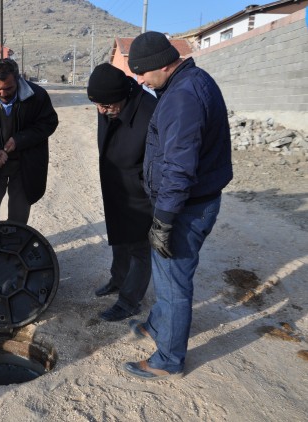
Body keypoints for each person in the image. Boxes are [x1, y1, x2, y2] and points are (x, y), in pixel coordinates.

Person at [122, 31, 233, 380]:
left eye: (141, 72)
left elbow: (179, 168)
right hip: (192, 201)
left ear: (161, 65)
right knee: (168, 274)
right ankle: (158, 325)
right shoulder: (191, 81)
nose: (139, 80)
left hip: (186, 207)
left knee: (174, 282)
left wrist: (165, 220)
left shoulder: (182, 98)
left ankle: (168, 360)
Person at [86, 63, 157, 322]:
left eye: (106, 106)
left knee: (139, 246)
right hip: (116, 183)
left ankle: (130, 301)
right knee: (119, 236)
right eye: (97, 105)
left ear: (123, 96)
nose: (101, 112)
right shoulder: (108, 104)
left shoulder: (149, 112)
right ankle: (118, 279)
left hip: (140, 192)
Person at [0, 58, 58, 226]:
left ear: (18, 79)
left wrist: (19, 140)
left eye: (8, 88)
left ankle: (15, 248)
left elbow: (48, 123)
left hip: (26, 162)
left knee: (19, 212)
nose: (2, 93)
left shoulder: (37, 96)